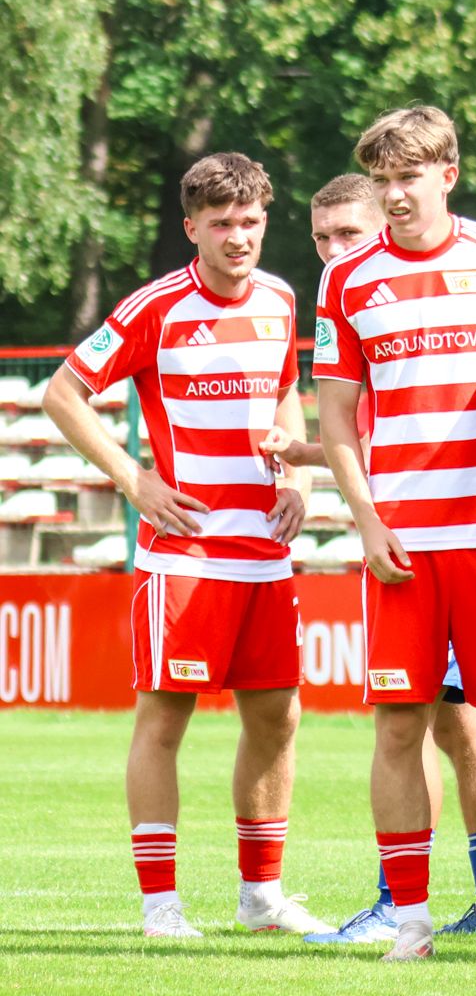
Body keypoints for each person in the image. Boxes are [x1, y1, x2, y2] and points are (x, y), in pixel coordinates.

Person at [312, 106, 476, 962]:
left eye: (409, 177)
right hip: (402, 547)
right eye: (382, 180)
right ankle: (411, 923)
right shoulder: (345, 280)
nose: (394, 195)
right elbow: (335, 417)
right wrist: (365, 520)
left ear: (448, 175)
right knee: (399, 729)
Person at [43, 153, 330, 939]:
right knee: (164, 722)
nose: (239, 237)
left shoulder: (280, 297)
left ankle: (261, 896)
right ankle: (160, 906)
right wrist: (132, 479)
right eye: (222, 223)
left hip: (265, 553)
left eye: (251, 222)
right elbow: (63, 393)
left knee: (277, 718)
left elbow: (286, 392)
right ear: (192, 228)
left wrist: (300, 483)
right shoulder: (156, 306)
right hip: (186, 557)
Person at [267, 173, 476, 945]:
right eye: (321, 238)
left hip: (437, 535)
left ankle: (413, 902)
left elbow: (417, 425)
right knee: (451, 723)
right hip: (411, 530)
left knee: (437, 722)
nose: (333, 250)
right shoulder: (353, 300)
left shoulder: (408, 288)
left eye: (348, 234)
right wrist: (309, 455)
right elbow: (374, 429)